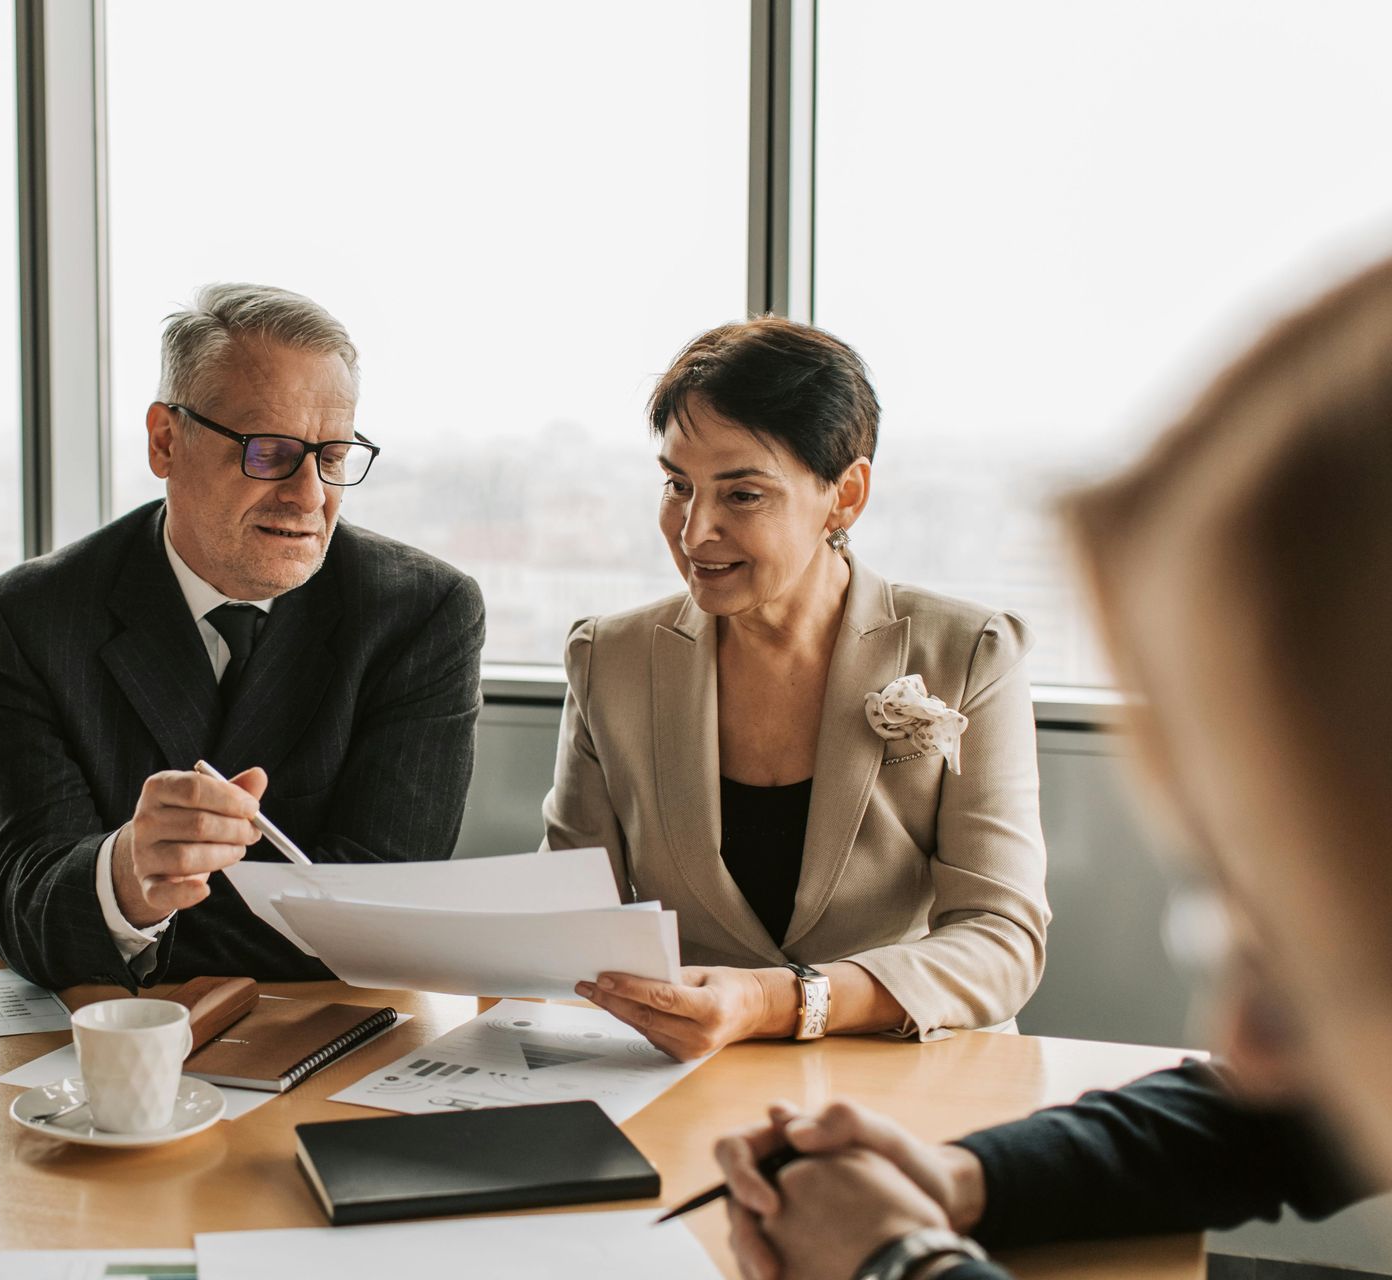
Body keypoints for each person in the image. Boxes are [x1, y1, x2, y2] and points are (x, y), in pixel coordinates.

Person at [709, 254, 1392, 1280]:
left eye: (1308, 948)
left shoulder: (968, 644)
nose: (1238, 1036)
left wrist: (899, 1262)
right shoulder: (621, 654)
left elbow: (1002, 932)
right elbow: (1263, 1119)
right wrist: (953, 1177)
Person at [543, 317, 1049, 1057]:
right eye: (678, 487)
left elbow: (1003, 941)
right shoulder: (607, 659)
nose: (693, 532)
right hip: (683, 1073)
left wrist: (779, 1002)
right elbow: (572, 919)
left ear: (845, 496)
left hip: (908, 1068)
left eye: (742, 495)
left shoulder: (968, 653)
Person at [0, 283, 485, 993]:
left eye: (331, 456)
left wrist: (103, 909)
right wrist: (117, 875)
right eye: (269, 452)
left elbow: (382, 915)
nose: (309, 497)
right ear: (164, 441)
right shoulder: (31, 617)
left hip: (333, 1036)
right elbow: (26, 894)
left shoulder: (420, 612)